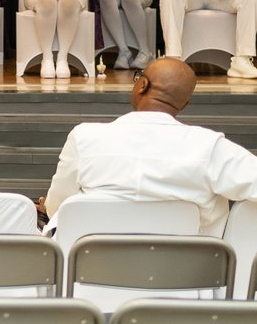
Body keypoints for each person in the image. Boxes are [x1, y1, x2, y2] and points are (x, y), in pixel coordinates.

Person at [41, 58, 257, 235]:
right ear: (184, 104)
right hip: (186, 273)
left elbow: (57, 207)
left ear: (142, 85)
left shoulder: (85, 138)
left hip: (88, 272)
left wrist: (48, 205)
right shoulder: (210, 147)